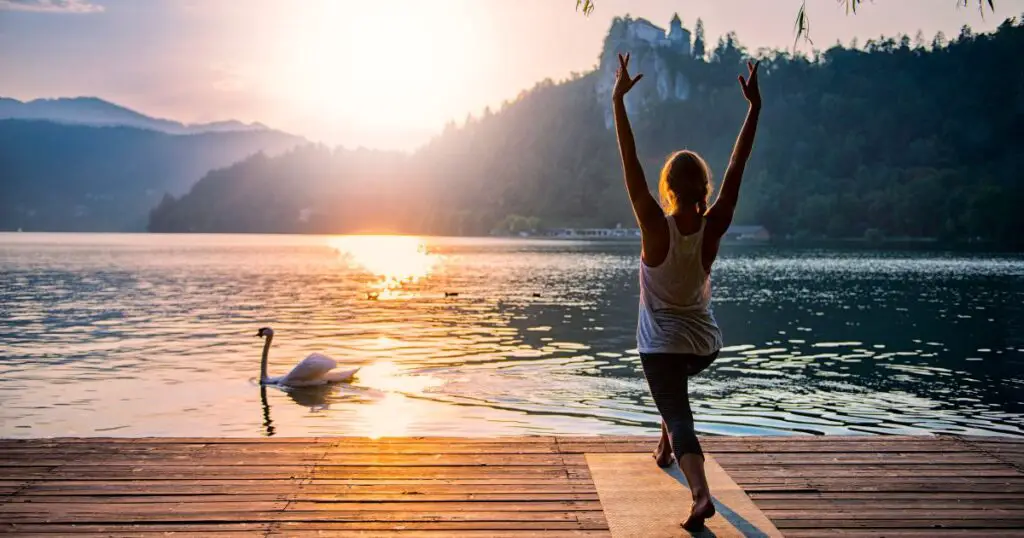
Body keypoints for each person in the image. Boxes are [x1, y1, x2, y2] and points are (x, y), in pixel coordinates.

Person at [611, 52, 761, 531]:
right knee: (672, 395)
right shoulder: (713, 226)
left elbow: (629, 160)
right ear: (703, 189)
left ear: (668, 190)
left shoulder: (655, 226)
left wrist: (618, 102)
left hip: (662, 346)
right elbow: (738, 166)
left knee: (679, 412)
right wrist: (754, 109)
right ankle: (663, 447)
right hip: (704, 345)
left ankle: (700, 495)